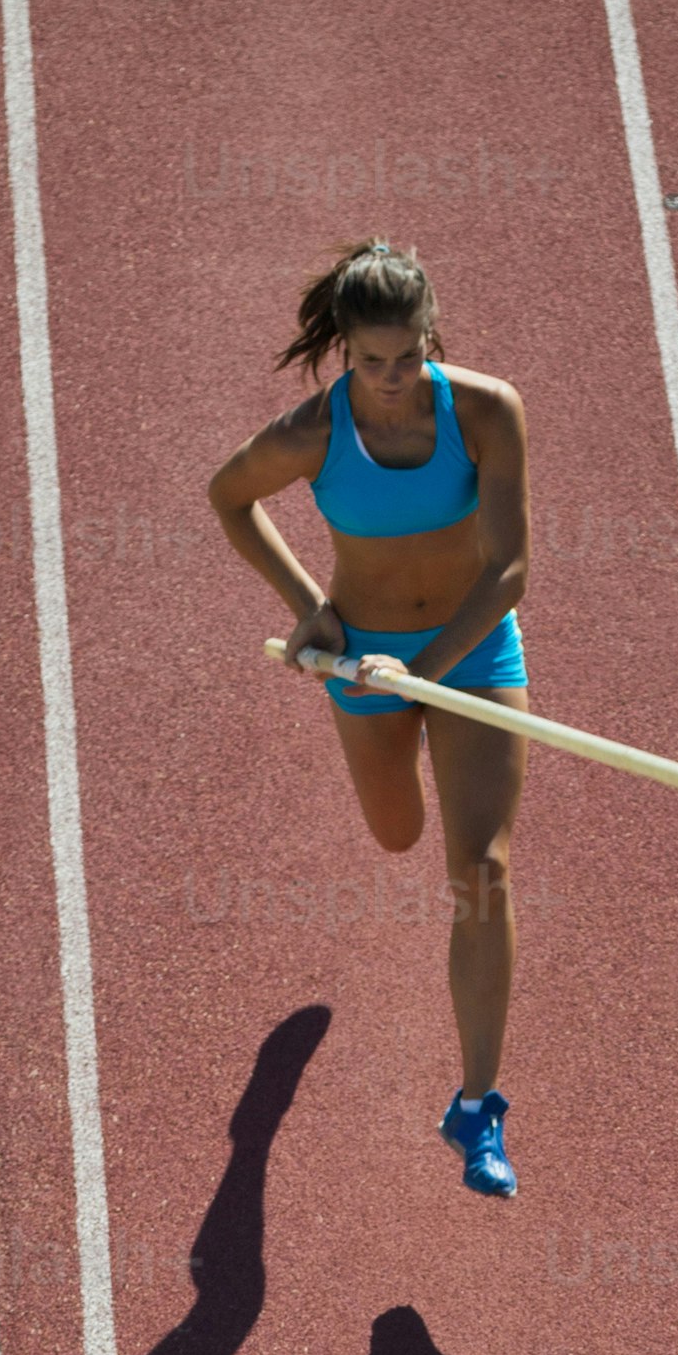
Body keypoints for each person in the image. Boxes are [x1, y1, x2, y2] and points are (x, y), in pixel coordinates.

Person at [207, 238, 531, 1202]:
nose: (391, 382)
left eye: (408, 358)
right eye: (371, 363)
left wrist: (424, 675)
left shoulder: (485, 411)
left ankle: (478, 1107)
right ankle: (255, 1128)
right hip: (362, 662)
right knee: (397, 836)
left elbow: (509, 567)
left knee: (482, 871)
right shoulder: (313, 432)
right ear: (342, 350)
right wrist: (310, 604)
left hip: (468, 653)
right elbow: (229, 499)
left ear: (432, 335)